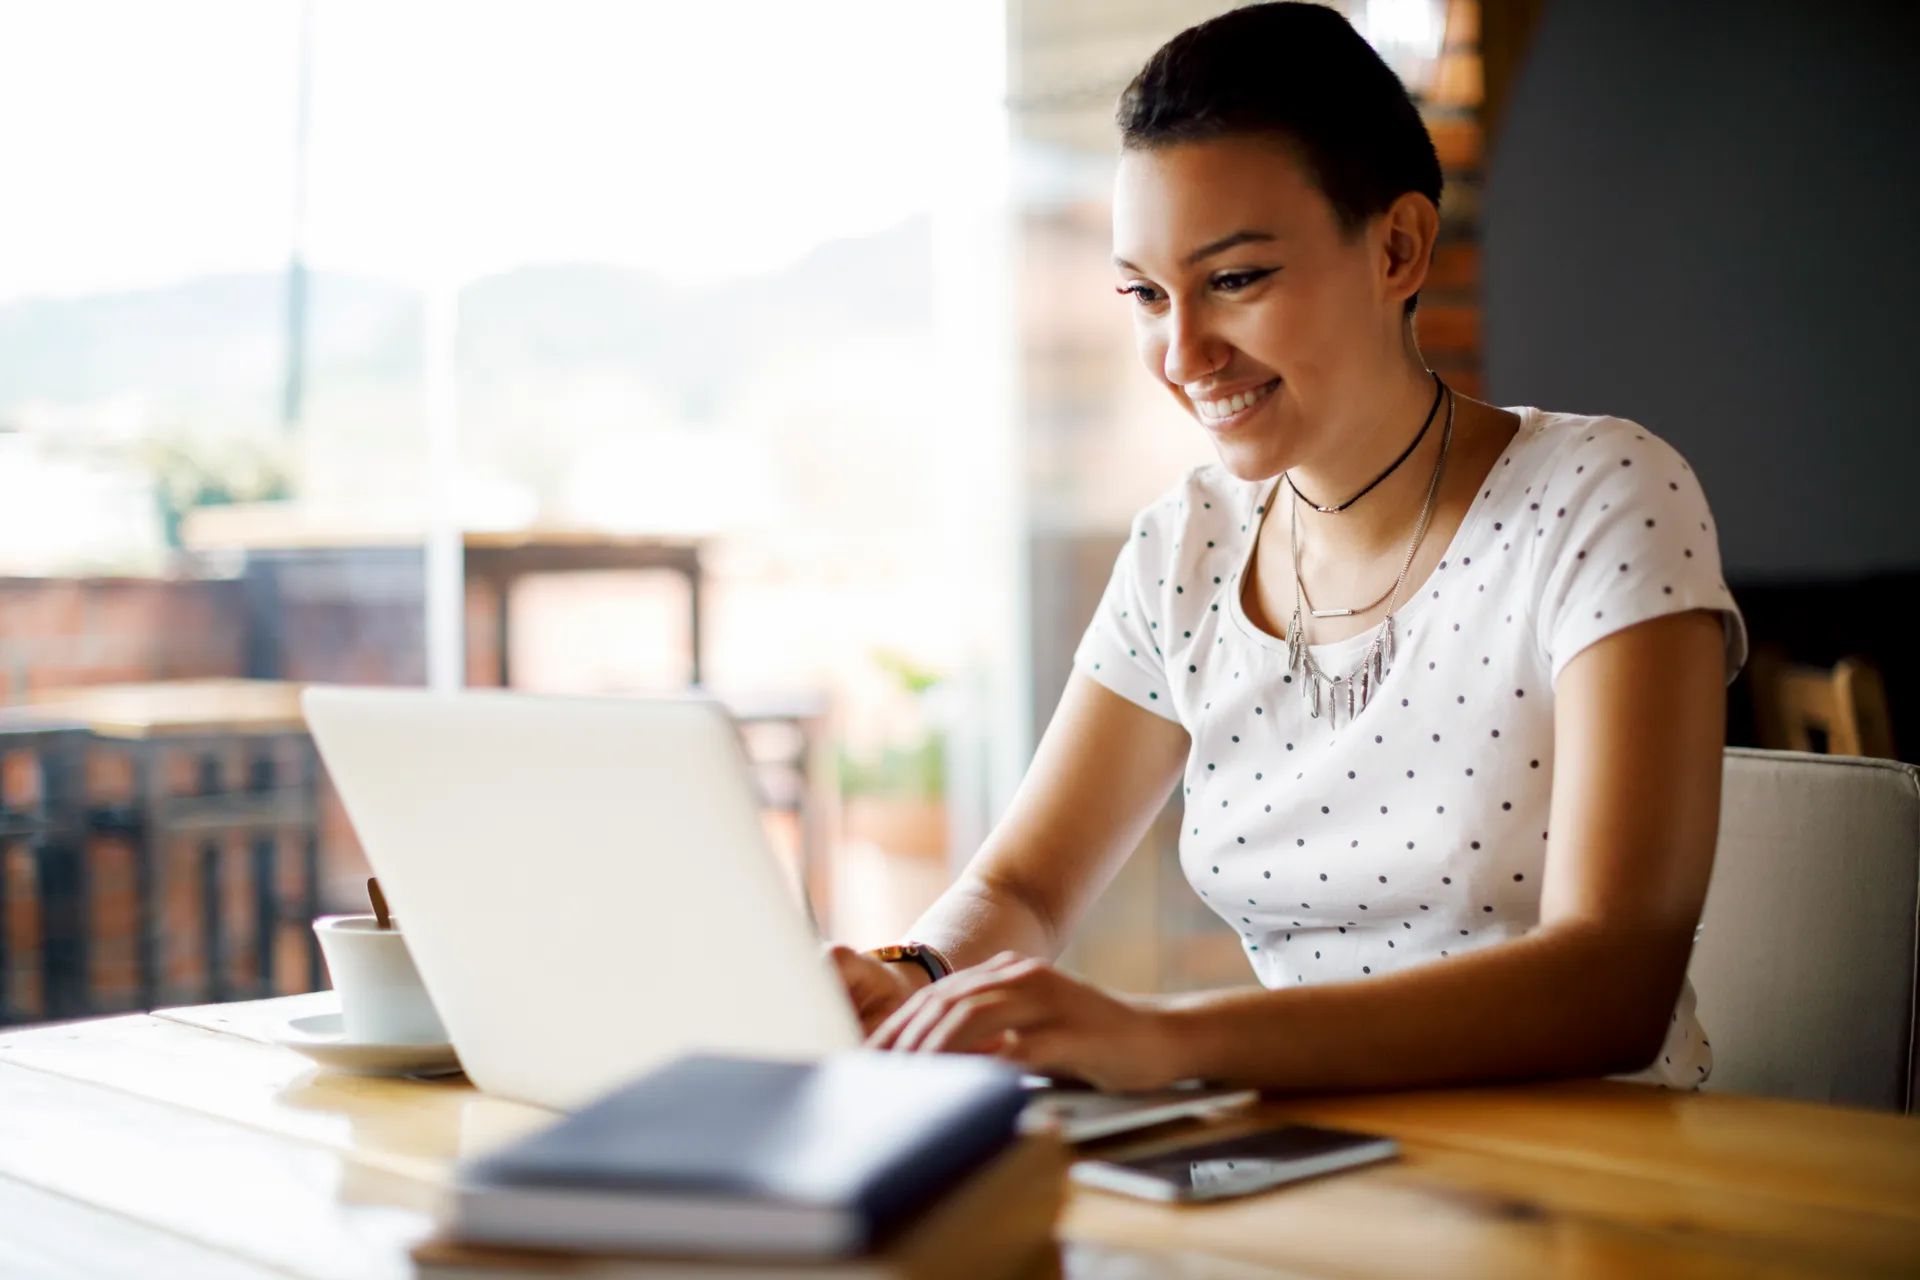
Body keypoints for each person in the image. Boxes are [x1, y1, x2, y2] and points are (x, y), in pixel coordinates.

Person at [825, 1, 1747, 1095]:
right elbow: (1024, 885)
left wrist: (1169, 1040)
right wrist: (916, 972)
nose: (1182, 352)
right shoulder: (1187, 546)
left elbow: (1613, 979)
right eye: (1144, 293)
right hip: (1320, 1167)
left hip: (1596, 1194)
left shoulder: (1604, 496)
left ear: (1397, 246)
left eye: (1235, 279)